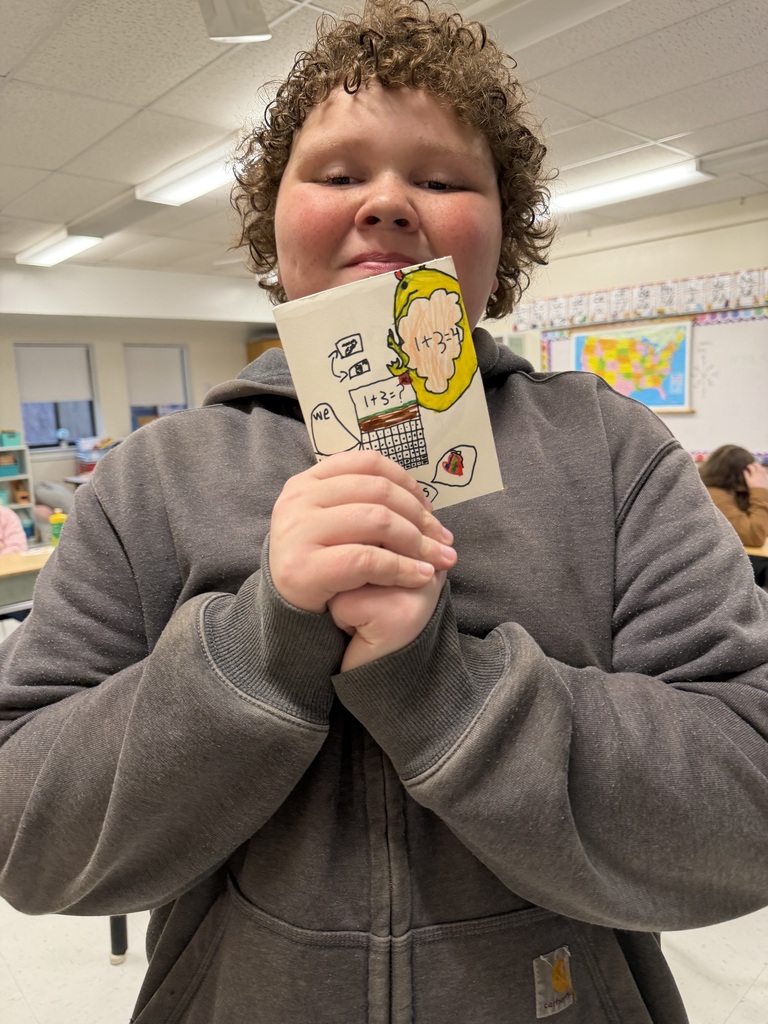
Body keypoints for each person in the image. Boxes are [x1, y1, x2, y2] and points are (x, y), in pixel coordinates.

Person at [2, 2, 768, 1022]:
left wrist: (445, 686)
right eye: (337, 173)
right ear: (271, 222)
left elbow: (746, 808)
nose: (391, 203)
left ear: (507, 238)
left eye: (445, 179)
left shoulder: (616, 454)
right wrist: (257, 645)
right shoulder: (153, 479)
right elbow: (25, 837)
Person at [699, 444, 768, 586]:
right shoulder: (714, 495)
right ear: (745, 473)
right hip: (717, 568)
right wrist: (759, 489)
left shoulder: (730, 494)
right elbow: (754, 536)